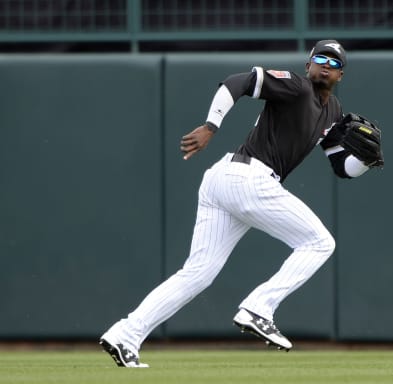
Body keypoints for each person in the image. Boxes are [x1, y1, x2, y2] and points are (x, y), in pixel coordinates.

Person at [100, 39, 374, 368]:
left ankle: (126, 334)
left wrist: (367, 160)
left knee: (197, 274)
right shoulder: (297, 86)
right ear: (308, 65)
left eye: (333, 64)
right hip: (248, 178)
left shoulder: (333, 112)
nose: (325, 66)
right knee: (320, 243)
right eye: (320, 59)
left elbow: (342, 168)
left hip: (227, 182)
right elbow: (239, 82)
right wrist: (211, 125)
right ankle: (259, 307)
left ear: (341, 75)